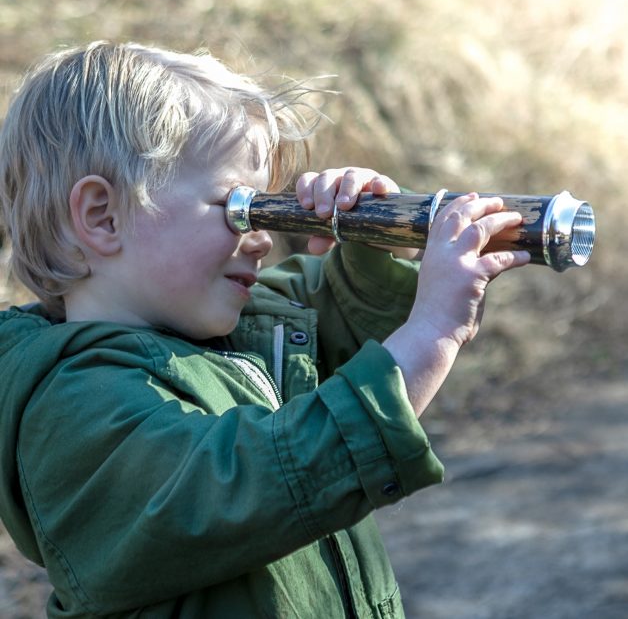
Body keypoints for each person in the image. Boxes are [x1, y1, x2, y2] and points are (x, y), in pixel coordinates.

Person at [0, 41, 529, 618]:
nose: (263, 239)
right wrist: (434, 332)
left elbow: (350, 315)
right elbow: (252, 479)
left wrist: (374, 240)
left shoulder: (233, 328)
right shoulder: (72, 406)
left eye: (268, 213)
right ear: (103, 216)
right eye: (236, 210)